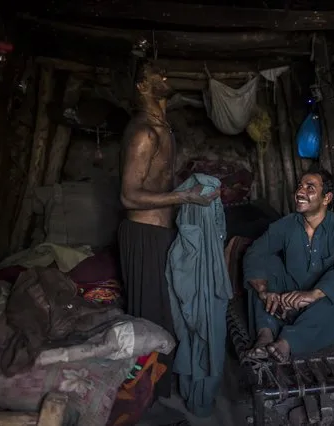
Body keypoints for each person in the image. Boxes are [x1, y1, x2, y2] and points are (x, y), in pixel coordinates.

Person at [118, 60, 220, 398]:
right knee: (151, 318)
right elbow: (129, 196)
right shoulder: (144, 132)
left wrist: (188, 192)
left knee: (169, 312)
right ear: (141, 87)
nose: (165, 76)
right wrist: (185, 197)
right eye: (154, 75)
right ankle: (145, 397)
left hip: (161, 233)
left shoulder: (164, 129)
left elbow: (158, 183)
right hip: (144, 235)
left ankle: (157, 389)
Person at [243, 166, 334, 362]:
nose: (300, 192)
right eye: (300, 186)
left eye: (310, 188)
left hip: (321, 305)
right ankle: (265, 335)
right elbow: (256, 252)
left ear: (326, 198)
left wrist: (313, 294)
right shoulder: (287, 224)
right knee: (264, 266)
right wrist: (264, 291)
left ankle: (287, 342)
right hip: (289, 296)